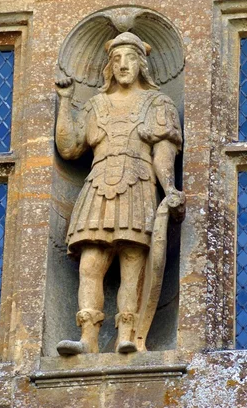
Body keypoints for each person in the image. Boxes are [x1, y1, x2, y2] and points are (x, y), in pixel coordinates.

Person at [55, 32, 185, 355]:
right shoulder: (96, 104)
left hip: (138, 182)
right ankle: (88, 338)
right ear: (109, 67)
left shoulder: (158, 104)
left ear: (142, 63)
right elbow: (69, 147)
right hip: (98, 183)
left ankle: (127, 334)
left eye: (129, 58)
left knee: (133, 263)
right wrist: (64, 101)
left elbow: (163, 154)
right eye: (116, 59)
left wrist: (169, 188)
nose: (123, 64)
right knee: (90, 264)